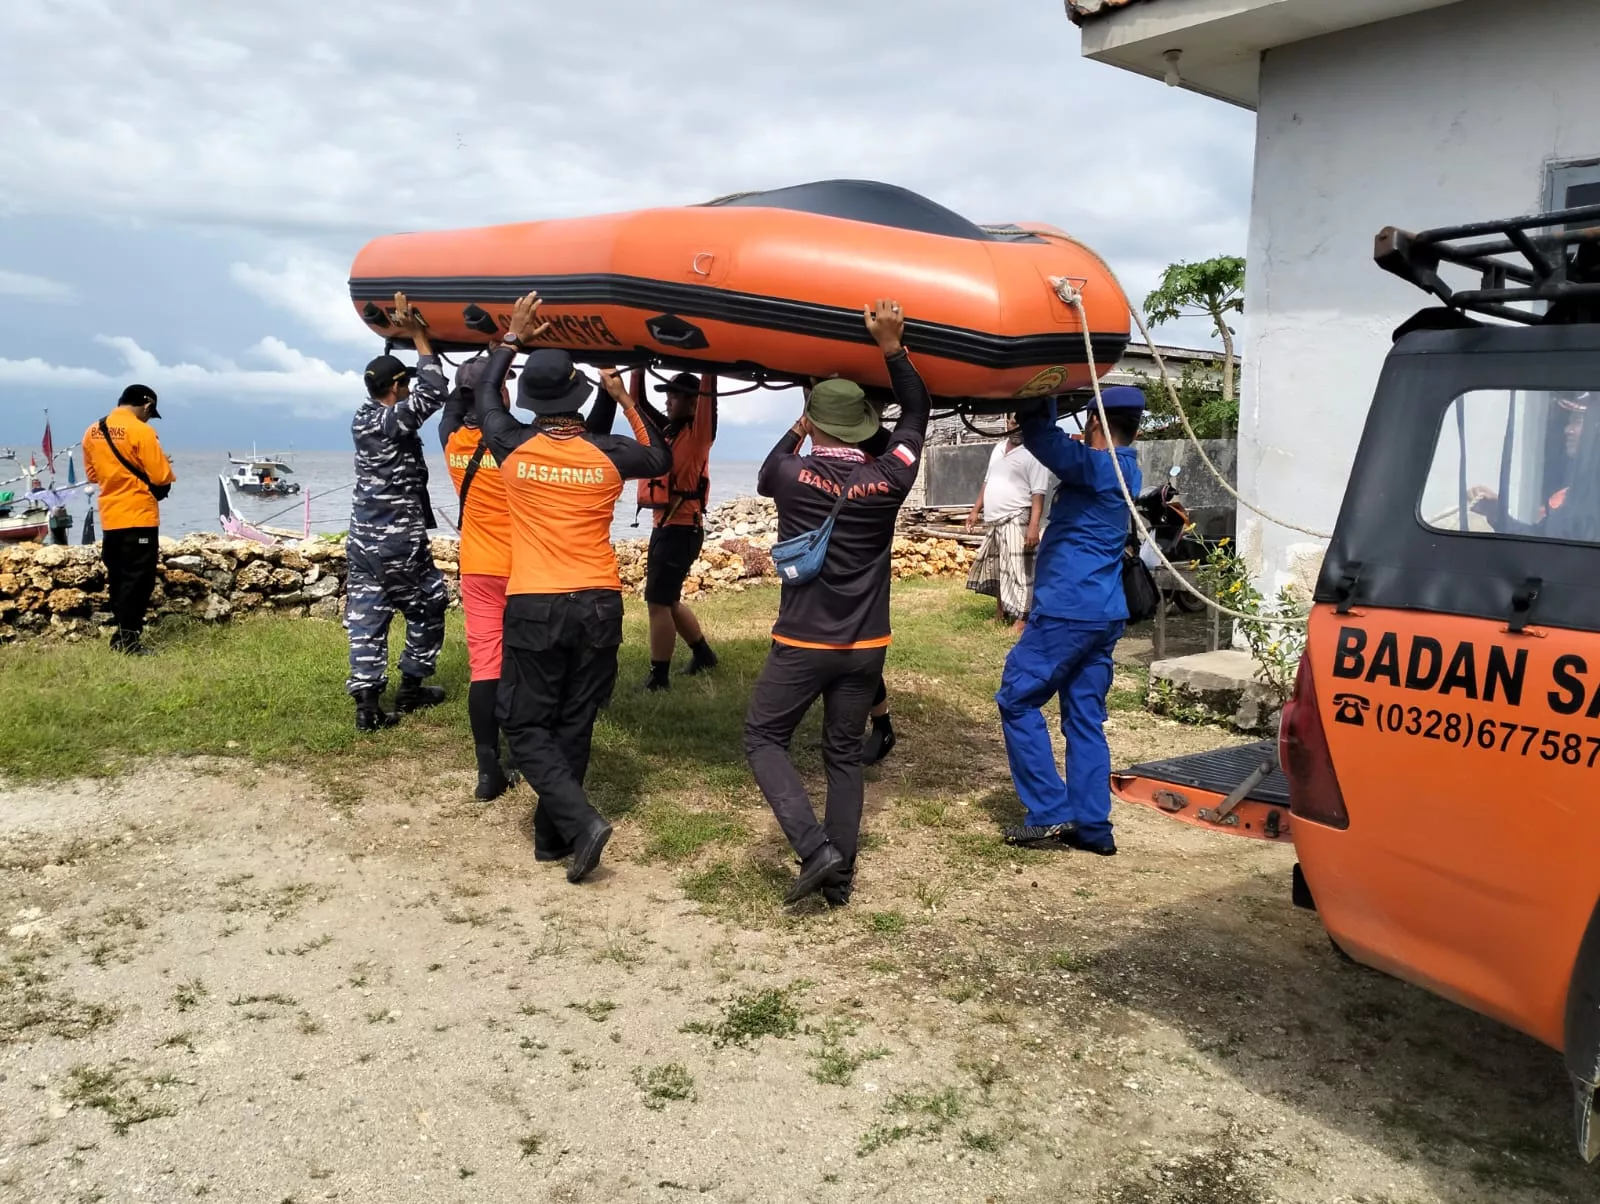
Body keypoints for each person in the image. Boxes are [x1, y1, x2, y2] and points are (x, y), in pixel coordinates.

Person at [473, 292, 668, 884]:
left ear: (530, 402)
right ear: (580, 397)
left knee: (524, 722)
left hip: (536, 602)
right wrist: (624, 397)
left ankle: (579, 822)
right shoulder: (608, 453)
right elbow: (659, 456)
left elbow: (485, 394)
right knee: (576, 718)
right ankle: (550, 837)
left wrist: (510, 338)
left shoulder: (510, 442)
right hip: (599, 602)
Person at [744, 299, 931, 907]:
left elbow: (770, 465)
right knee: (843, 755)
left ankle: (815, 849)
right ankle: (841, 879)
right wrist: (893, 348)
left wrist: (800, 425)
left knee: (764, 738)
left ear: (812, 423)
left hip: (803, 642)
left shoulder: (790, 476)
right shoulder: (891, 478)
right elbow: (917, 415)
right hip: (867, 645)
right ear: (862, 427)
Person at [995, 386, 1145, 855]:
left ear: (1097, 424)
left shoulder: (1102, 467)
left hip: (1067, 613)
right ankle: (1093, 827)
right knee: (1084, 719)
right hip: (1102, 615)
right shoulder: (1127, 470)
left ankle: (1049, 812)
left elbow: (1042, 438)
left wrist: (1044, 390)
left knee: (1017, 700)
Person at [345, 293, 451, 732]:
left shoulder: (362, 417)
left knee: (367, 615)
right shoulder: (391, 420)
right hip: (395, 540)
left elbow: (417, 392)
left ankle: (367, 706)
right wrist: (420, 337)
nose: (407, 390)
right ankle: (410, 687)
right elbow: (434, 391)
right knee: (429, 604)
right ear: (394, 388)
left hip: (363, 538)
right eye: (403, 384)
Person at [441, 355, 521, 800]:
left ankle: (488, 768)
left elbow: (454, 405)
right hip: (526, 570)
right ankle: (529, 748)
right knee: (524, 663)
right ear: (500, 392)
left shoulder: (452, 441)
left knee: (486, 666)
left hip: (478, 569)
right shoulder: (518, 445)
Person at [636, 371, 719, 690]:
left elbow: (709, 396)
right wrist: (636, 364)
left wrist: (707, 364)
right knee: (667, 600)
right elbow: (640, 404)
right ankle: (703, 654)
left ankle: (659, 678)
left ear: (692, 402)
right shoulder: (667, 431)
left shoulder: (700, 434)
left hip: (681, 530)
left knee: (657, 602)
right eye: (667, 394)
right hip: (668, 527)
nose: (667, 400)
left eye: (674, 395)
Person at [81, 383, 175, 655]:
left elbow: (92, 475)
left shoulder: (93, 430)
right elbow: (159, 477)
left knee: (120, 577)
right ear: (147, 405)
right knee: (139, 580)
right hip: (139, 514)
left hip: (111, 516)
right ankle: (129, 641)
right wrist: (164, 464)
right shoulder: (143, 431)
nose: (148, 417)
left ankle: (121, 637)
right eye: (150, 412)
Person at [964, 418, 1051, 632]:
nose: (1016, 426)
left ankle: (1022, 619)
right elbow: (987, 481)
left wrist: (1033, 525)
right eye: (1013, 422)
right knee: (998, 567)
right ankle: (1000, 613)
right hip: (994, 519)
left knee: (1019, 570)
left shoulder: (1034, 453)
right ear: (1007, 424)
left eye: (1020, 423)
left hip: (1016, 517)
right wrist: (975, 510)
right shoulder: (999, 448)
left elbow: (1038, 494)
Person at [1469, 391, 1591, 533]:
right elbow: (1541, 538)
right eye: (1570, 421)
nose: (1568, 430)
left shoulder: (1589, 495)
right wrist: (1496, 513)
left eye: (1578, 421)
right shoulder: (1575, 492)